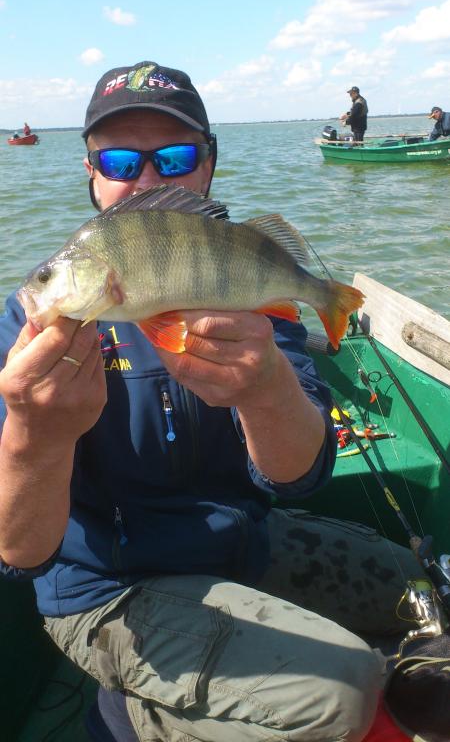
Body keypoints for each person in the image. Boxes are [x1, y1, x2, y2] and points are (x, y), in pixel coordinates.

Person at [0, 60, 421, 742]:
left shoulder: (249, 294)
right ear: (91, 173)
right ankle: (131, 716)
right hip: (108, 590)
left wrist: (268, 390)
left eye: (175, 157)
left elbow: (298, 476)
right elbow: (19, 555)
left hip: (240, 545)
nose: (148, 180)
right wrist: (34, 433)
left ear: (209, 165)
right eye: (120, 160)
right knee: (344, 692)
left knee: (423, 592)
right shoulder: (29, 333)